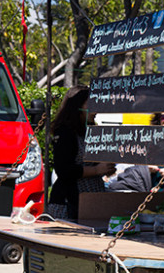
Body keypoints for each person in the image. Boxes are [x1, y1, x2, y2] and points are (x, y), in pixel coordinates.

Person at [47, 85, 115, 221]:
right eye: (91, 103)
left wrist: (107, 167)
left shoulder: (92, 131)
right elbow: (64, 170)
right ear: (77, 105)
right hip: (69, 202)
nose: (95, 110)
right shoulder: (65, 131)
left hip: (93, 200)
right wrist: (96, 170)